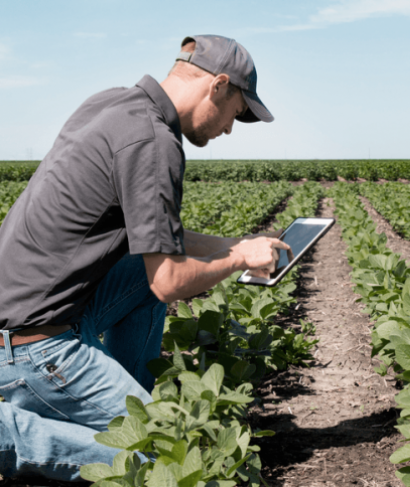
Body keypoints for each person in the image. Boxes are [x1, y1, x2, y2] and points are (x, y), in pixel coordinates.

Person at [0, 35, 290, 482]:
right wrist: (238, 262)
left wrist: (234, 244)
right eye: (237, 111)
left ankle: (121, 403)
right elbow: (170, 281)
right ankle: (15, 435)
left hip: (33, 315)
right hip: (34, 346)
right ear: (218, 85)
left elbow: (160, 243)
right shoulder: (155, 141)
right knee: (167, 460)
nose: (231, 128)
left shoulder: (114, 105)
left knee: (140, 268)